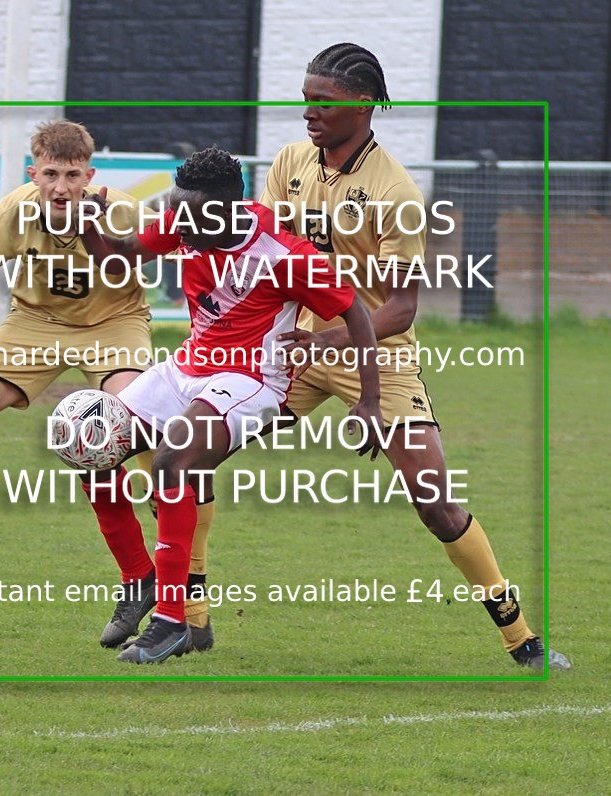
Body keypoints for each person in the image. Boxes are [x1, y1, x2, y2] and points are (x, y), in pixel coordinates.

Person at [262, 43, 570, 671]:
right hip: (295, 347)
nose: (308, 113)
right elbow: (271, 258)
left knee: (434, 499)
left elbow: (401, 308)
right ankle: (187, 617)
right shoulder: (290, 162)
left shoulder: (395, 190)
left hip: (375, 351)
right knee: (193, 448)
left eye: (322, 102)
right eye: (305, 100)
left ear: (365, 106)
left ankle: (522, 640)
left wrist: (331, 347)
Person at [0, 119, 216, 650]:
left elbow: (196, 262)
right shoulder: (12, 211)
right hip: (32, 327)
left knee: (149, 443)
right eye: (50, 173)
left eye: (72, 174)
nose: (60, 186)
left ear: (90, 175)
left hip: (114, 327)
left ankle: (180, 592)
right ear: (33, 173)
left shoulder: (122, 210)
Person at [79, 145, 383, 663]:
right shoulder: (187, 218)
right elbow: (119, 257)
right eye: (175, 210)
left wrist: (370, 402)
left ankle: (172, 622)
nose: (176, 224)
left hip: (252, 380)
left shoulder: (286, 256)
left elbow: (358, 315)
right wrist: (88, 225)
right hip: (188, 368)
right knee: (90, 443)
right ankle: (140, 578)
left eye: (186, 215)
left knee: (173, 459)